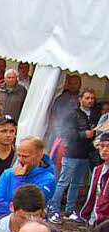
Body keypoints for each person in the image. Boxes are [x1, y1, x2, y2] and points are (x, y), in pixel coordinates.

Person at [49, 88, 98, 223]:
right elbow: (65, 133)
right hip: (71, 153)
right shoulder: (72, 114)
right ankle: (54, 209)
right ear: (80, 99)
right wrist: (83, 134)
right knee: (63, 182)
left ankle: (70, 210)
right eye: (87, 98)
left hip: (85, 154)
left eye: (92, 98)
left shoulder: (95, 115)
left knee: (76, 184)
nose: (89, 101)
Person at [0, 136, 56, 218]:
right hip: (3, 223)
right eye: (19, 155)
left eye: (25, 156)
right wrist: (13, 208)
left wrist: (19, 179)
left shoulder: (48, 180)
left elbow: (27, 207)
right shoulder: (8, 173)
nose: (20, 160)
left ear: (39, 155)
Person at [79, 132, 109, 225]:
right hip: (96, 220)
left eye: (108, 146)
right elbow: (93, 195)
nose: (104, 150)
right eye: (102, 146)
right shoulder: (98, 170)